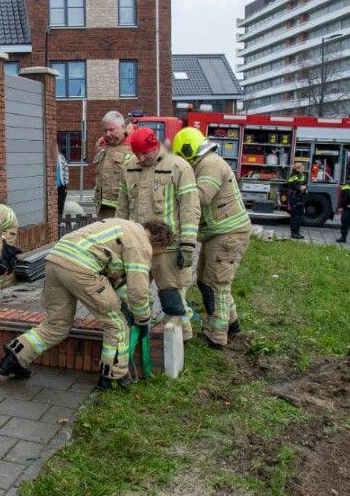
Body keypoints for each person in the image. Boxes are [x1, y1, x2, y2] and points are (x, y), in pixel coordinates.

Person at [0, 218, 173, 389]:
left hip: (54, 261)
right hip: (82, 268)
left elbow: (111, 267)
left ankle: (14, 358)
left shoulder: (125, 226)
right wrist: (143, 319)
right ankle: (112, 377)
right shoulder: (142, 244)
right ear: (160, 243)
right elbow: (138, 291)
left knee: (57, 325)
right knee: (118, 322)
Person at [116, 127, 200, 342]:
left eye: (145, 153)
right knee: (134, 293)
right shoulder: (129, 168)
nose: (141, 158)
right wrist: (118, 241)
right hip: (137, 247)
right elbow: (122, 209)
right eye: (137, 154)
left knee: (173, 296)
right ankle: (143, 334)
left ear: (155, 145)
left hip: (168, 249)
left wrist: (188, 245)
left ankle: (182, 341)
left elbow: (190, 208)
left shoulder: (178, 167)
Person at [172, 127, 251, 348]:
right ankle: (232, 325)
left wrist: (174, 197)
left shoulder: (211, 164)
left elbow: (201, 197)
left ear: (187, 150)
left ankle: (217, 336)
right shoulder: (205, 162)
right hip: (218, 233)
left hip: (228, 234)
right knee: (207, 281)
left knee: (217, 284)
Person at [93, 111, 134, 219]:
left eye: (111, 130)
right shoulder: (101, 145)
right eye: (105, 130)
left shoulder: (133, 144)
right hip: (103, 208)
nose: (107, 134)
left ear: (122, 127)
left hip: (125, 208)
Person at [286, 162, 308, 239]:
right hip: (295, 197)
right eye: (302, 168)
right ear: (297, 169)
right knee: (295, 215)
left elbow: (305, 184)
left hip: (301, 197)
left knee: (299, 215)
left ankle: (297, 232)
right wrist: (300, 187)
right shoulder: (293, 176)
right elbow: (292, 184)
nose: (303, 169)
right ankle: (294, 233)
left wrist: (305, 188)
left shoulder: (302, 176)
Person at [56, 147, 69, 221]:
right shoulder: (49, 158)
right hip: (52, 186)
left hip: (61, 185)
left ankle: (59, 221)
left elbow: (66, 171)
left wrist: (66, 184)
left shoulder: (61, 157)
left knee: (61, 204)